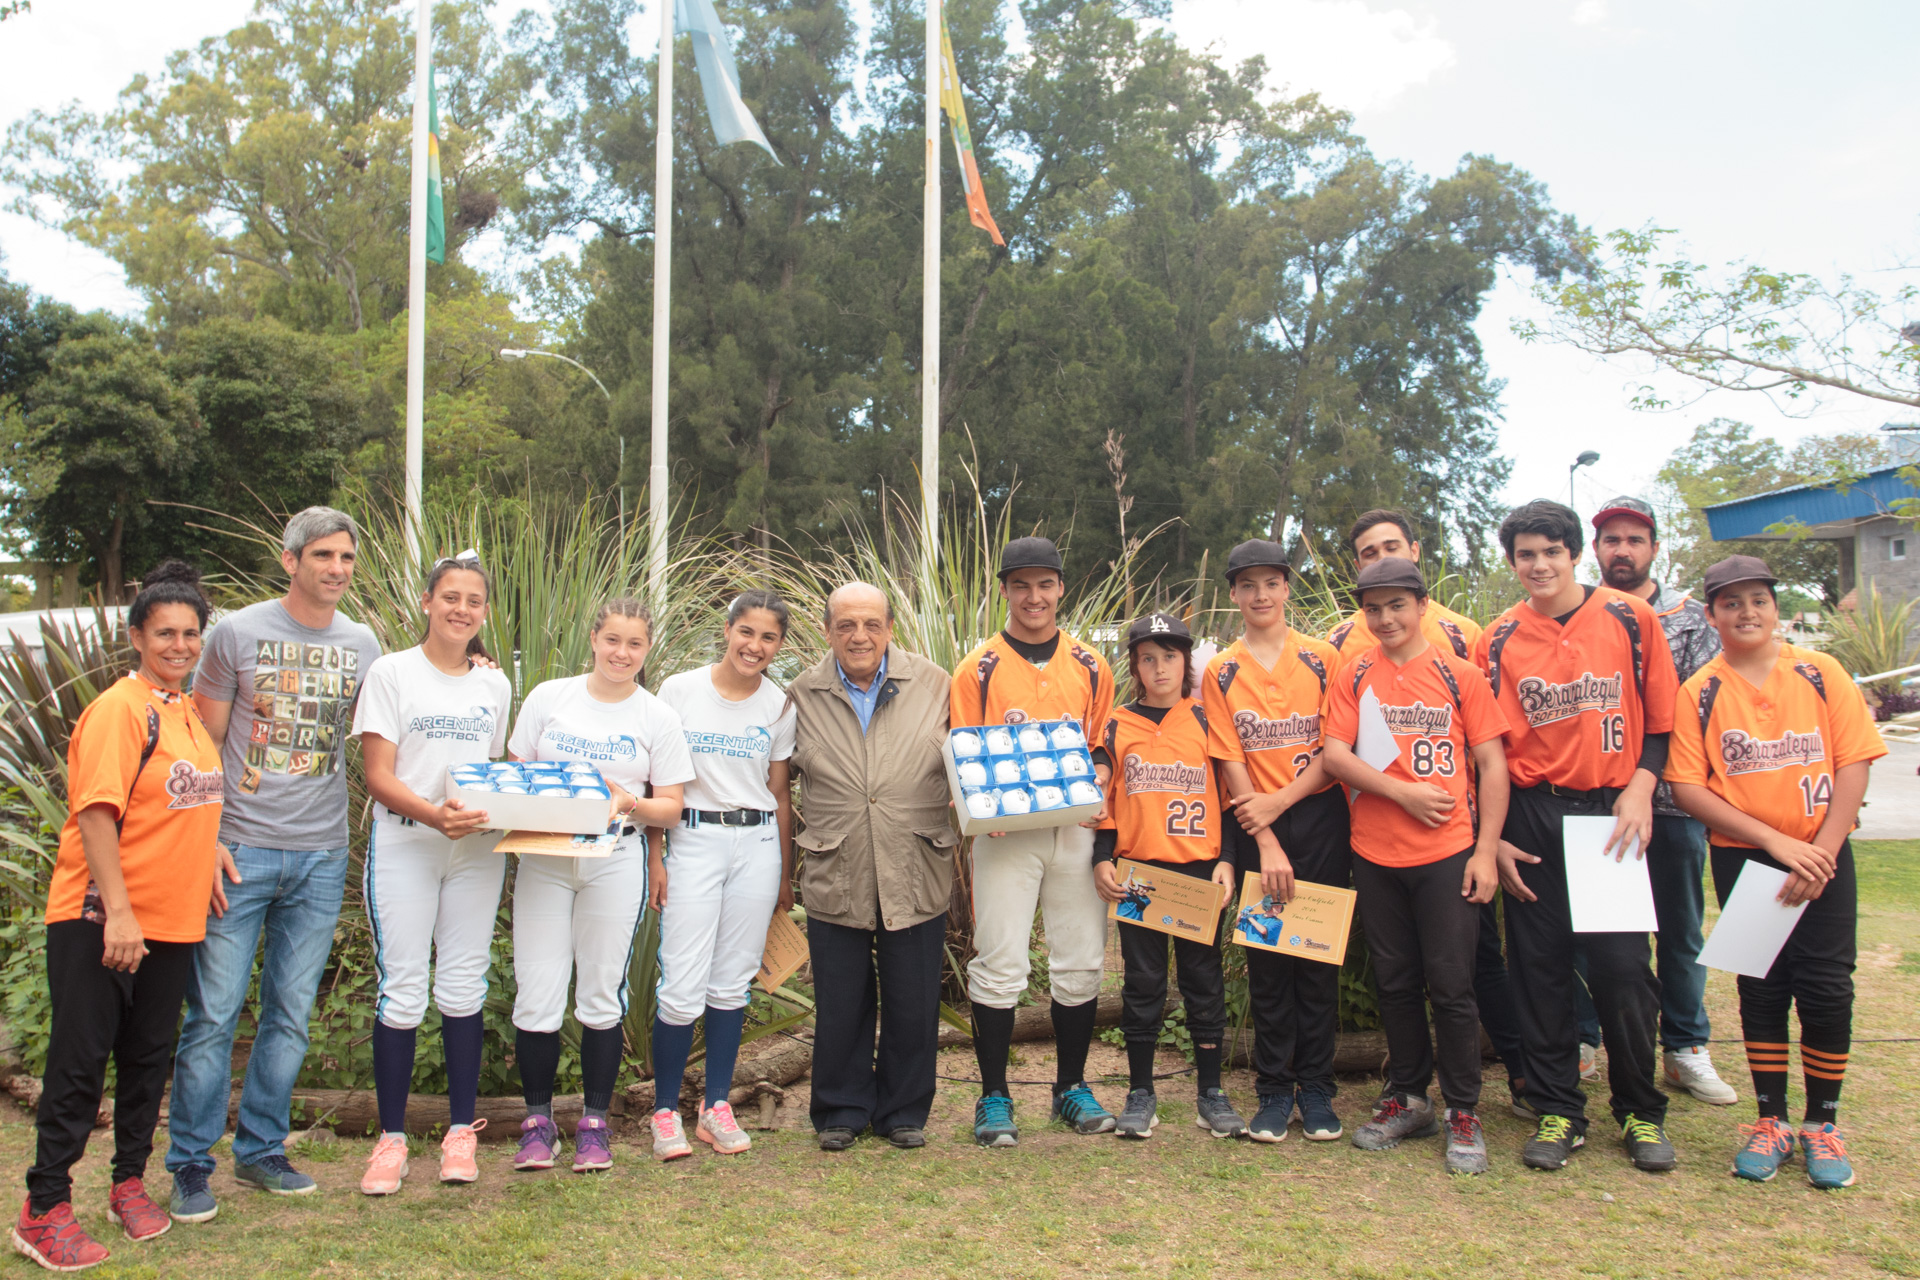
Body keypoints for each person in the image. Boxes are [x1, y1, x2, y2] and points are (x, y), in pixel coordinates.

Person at [166, 507, 384, 1223]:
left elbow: (390, 716)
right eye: (323, 555)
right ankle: (191, 1164)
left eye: (347, 558)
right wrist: (207, 838)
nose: (337, 569)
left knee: (291, 1014)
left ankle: (261, 1149)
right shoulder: (236, 633)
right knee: (215, 1015)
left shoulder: (363, 642)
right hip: (239, 850)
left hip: (320, 854)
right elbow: (200, 745)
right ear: (290, 561)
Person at [13, 563, 228, 1273]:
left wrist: (210, 852)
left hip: (174, 923)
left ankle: (128, 1184)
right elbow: (98, 814)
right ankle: (44, 1210)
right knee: (79, 1065)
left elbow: (176, 800)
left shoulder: (186, 709)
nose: (179, 643)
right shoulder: (120, 708)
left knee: (144, 1064)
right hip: (103, 918)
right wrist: (121, 915)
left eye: (191, 633)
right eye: (164, 632)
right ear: (136, 635)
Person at [1666, 555, 1882, 1190]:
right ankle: (1770, 1121)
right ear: (1712, 615)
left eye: (1757, 598)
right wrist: (1774, 842)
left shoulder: (1820, 672)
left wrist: (1824, 847)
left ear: (1775, 606)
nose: (1746, 611)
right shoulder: (1701, 689)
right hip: (1748, 854)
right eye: (1731, 603)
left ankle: (1822, 1124)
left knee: (1825, 987)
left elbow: (1855, 761)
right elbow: (1686, 785)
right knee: (1761, 987)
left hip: (1825, 853)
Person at [1476, 500, 1680, 1172]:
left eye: (1551, 551)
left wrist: (1642, 789)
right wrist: (1494, 836)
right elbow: (1487, 751)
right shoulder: (1497, 638)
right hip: (1535, 814)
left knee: (1624, 973)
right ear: (1512, 562)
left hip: (1609, 815)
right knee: (1540, 973)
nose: (1539, 565)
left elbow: (1659, 721)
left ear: (1574, 554)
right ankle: (1560, 1107)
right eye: (1526, 554)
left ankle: (1640, 1113)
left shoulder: (1629, 617)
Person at [1321, 515, 1532, 1116]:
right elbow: (1335, 754)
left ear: (1421, 603)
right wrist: (1400, 793)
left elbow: (1492, 765)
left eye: (1397, 606)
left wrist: (1487, 849)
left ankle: (1464, 1109)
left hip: (1446, 854)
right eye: (1374, 609)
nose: (1386, 619)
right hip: (1376, 850)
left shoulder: (1458, 672)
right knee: (1395, 982)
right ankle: (1409, 1095)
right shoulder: (1355, 671)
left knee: (1453, 985)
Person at [507, 598, 692, 1173]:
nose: (622, 653)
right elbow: (513, 773)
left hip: (615, 859)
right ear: (593, 637)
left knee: (602, 995)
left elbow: (673, 808)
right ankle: (537, 1125)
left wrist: (629, 800)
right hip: (545, 857)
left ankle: (593, 1126)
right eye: (613, 640)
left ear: (647, 649)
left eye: (635, 644)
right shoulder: (549, 698)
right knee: (537, 994)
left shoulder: (655, 715)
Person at [350, 551, 513, 1195]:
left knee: (464, 985)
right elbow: (378, 776)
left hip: (472, 851)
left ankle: (459, 1135)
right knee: (404, 988)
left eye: (474, 601)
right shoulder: (392, 672)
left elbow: (492, 770)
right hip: (408, 843)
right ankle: (390, 1140)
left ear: (485, 613)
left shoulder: (493, 683)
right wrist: (432, 815)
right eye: (450, 597)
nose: (461, 609)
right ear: (427, 601)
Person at [951, 536, 1117, 1147]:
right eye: (1021, 584)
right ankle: (994, 1096)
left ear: (1060, 588)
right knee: (1000, 961)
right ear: (1004, 590)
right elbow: (963, 751)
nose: (1033, 596)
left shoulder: (1091, 663)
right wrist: (976, 804)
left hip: (1075, 827)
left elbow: (1104, 742)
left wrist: (1099, 771)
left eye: (1044, 584)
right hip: (1007, 832)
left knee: (1081, 960)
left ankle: (1070, 1087)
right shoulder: (980, 667)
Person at [788, 583, 954, 1151]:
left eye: (871, 625)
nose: (859, 636)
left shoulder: (936, 684)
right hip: (839, 864)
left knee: (913, 996)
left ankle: (904, 1111)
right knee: (841, 997)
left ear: (889, 628)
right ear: (827, 630)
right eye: (846, 626)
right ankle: (840, 1109)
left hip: (916, 860)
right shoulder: (800, 693)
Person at [1201, 539, 1351, 1143]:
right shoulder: (1221, 670)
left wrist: (1282, 804)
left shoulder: (1323, 658)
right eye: (1248, 585)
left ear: (1287, 588)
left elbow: (1336, 752)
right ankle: (1271, 1091)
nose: (1261, 595)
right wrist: (1265, 841)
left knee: (1315, 961)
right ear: (1233, 594)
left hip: (1319, 817)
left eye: (1272, 583)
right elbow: (1231, 758)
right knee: (1267, 962)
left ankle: (1315, 1090)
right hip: (1257, 825)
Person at [1588, 495, 1736, 1105]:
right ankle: (1583, 1040)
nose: (1622, 550)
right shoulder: (1581, 614)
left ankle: (1685, 1046)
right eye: (1611, 540)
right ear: (1594, 550)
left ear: (1653, 547)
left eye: (1634, 539)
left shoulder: (1690, 619)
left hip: (1675, 802)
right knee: (1595, 929)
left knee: (1678, 929)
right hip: (1598, 803)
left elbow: (1700, 709)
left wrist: (1655, 783)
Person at [652, 591, 797, 1160]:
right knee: (682, 982)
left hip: (756, 841)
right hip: (692, 837)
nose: (754, 646)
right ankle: (666, 1112)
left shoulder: (779, 704)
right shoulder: (679, 691)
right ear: (728, 630)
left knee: (732, 981)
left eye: (768, 638)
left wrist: (784, 871)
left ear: (779, 645)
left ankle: (715, 1106)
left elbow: (780, 791)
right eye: (746, 632)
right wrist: (656, 855)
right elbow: (657, 781)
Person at [1093, 612, 1245, 1141]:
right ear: (1135, 666)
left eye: (1170, 657)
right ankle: (1140, 1091)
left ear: (1186, 662)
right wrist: (1100, 858)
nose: (1160, 668)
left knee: (1203, 981)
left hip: (1198, 869)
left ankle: (1211, 1092)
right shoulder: (1115, 724)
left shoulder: (1206, 719)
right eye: (1148, 658)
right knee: (1143, 984)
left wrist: (1228, 858)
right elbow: (1103, 802)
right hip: (1138, 871)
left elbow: (1230, 800)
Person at [1327, 511, 1484, 665]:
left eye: (1392, 548)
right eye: (1370, 554)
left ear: (1414, 551)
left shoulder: (1462, 634)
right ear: (1359, 566)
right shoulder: (1338, 640)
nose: (1383, 558)